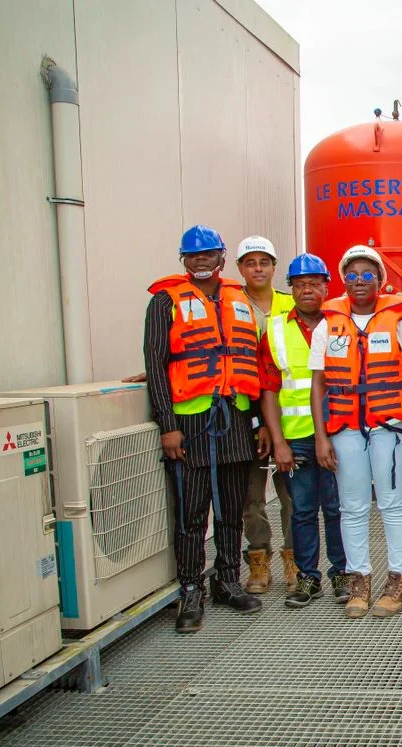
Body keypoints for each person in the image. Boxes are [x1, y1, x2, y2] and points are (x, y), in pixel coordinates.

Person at [144, 225, 262, 633]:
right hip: (191, 424)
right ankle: (191, 590)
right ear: (184, 260)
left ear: (221, 258)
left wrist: (260, 423)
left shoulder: (239, 301)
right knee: (192, 514)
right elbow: (156, 366)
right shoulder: (165, 302)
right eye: (193, 256)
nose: (200, 261)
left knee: (232, 510)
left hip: (235, 418)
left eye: (208, 254)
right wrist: (168, 426)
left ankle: (227, 581)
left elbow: (257, 364)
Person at [310, 245, 402, 619]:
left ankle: (398, 580)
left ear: (380, 280)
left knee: (392, 503)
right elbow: (318, 384)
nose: (359, 281)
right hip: (344, 427)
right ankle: (359, 581)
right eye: (352, 275)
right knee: (352, 506)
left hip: (389, 426)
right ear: (344, 280)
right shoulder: (327, 326)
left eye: (367, 274)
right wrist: (321, 437)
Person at [258, 253, 348, 608]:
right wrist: (278, 441)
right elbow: (269, 388)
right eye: (299, 284)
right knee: (303, 509)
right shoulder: (276, 329)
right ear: (290, 289)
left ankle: (342, 574)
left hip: (339, 434)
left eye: (314, 283)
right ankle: (308, 577)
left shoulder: (341, 324)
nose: (307, 289)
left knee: (339, 508)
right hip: (296, 439)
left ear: (327, 286)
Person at [235, 236, 299, 594]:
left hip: (286, 416)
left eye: (264, 262)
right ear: (240, 268)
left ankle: (294, 559)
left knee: (291, 494)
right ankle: (258, 559)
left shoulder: (291, 305)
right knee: (252, 496)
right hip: (247, 413)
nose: (257, 268)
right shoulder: (231, 305)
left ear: (274, 267)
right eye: (250, 262)